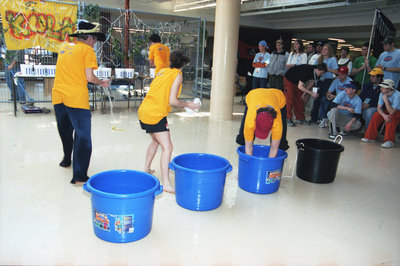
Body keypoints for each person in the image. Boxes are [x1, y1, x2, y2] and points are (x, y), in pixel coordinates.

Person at [52, 21, 110, 185]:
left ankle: (66, 160)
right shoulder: (87, 50)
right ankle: (79, 176)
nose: (95, 42)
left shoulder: (65, 47)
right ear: (90, 37)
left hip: (58, 96)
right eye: (95, 39)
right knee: (83, 136)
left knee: (65, 130)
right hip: (76, 99)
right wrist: (101, 82)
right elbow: (89, 77)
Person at [138, 51, 199, 193]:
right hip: (156, 113)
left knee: (155, 140)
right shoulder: (177, 75)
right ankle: (165, 183)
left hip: (144, 110)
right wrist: (188, 105)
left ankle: (146, 168)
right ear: (183, 64)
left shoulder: (163, 71)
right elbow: (173, 101)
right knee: (168, 147)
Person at [241, 89, 286, 158]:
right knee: (244, 135)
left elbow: (274, 149)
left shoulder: (277, 123)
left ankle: (282, 147)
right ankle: (241, 140)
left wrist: (268, 164)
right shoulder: (250, 121)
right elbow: (248, 146)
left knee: (280, 140)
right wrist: (250, 162)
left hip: (277, 96)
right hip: (253, 95)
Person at [362, 79, 400, 148]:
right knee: (376, 115)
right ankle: (370, 137)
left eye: (382, 87)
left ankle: (389, 141)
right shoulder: (382, 93)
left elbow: (392, 112)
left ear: (388, 88)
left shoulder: (397, 95)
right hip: (389, 110)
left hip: (397, 112)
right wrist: (384, 115)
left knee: (390, 118)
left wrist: (385, 100)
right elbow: (379, 108)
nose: (380, 89)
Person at [310, 43, 338, 123]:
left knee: (324, 99)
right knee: (316, 98)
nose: (323, 51)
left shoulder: (332, 59)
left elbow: (336, 71)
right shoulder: (319, 59)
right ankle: (313, 118)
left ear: (329, 51)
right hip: (319, 80)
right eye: (323, 49)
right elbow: (314, 69)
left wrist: (326, 69)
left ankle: (323, 117)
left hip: (327, 81)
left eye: (326, 49)